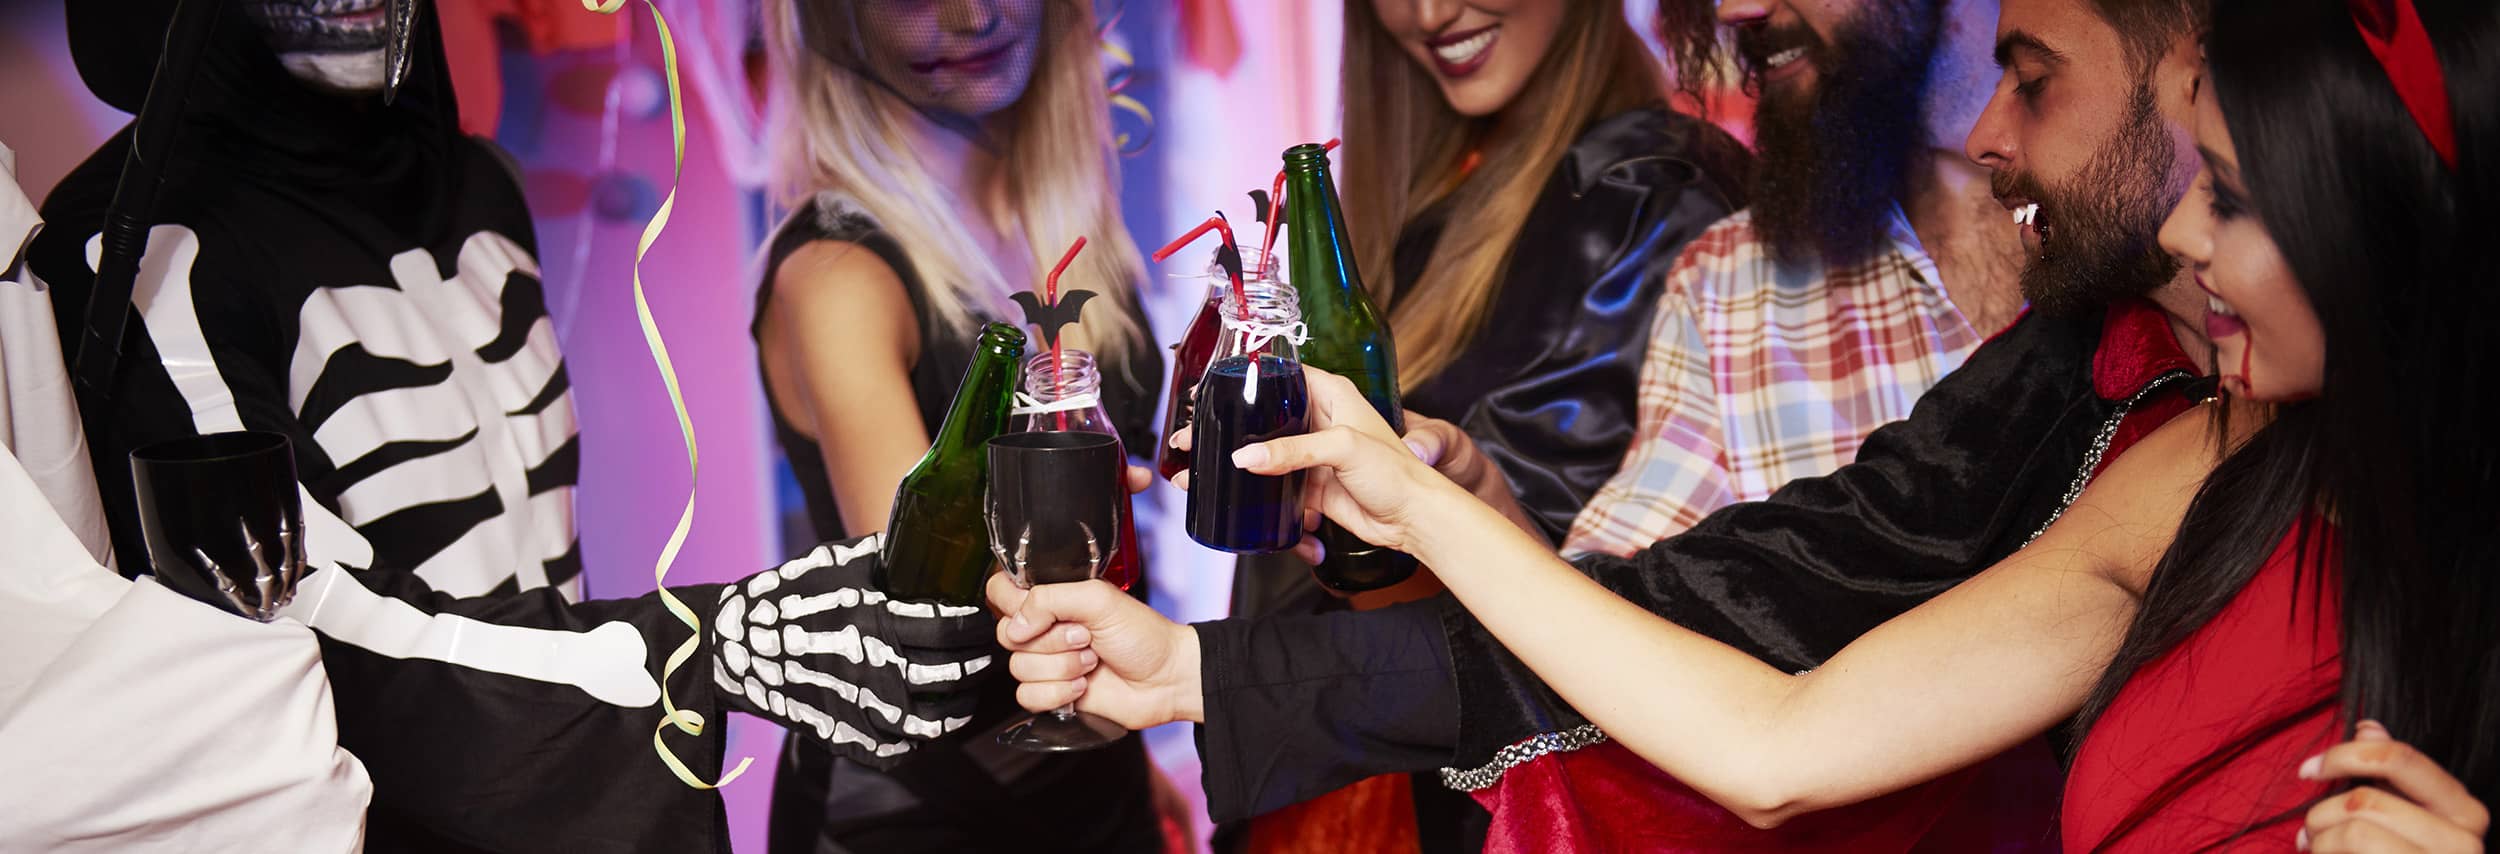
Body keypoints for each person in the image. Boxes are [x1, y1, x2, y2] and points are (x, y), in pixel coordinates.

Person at [1007, 0, 2499, 847]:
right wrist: (1269, 624)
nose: (2188, 232)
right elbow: (1749, 697)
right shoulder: (2185, 458)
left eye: (2226, 195)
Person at [31, 3, 991, 851]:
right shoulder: (137, 251)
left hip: (585, 778)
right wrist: (704, 642)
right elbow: (283, 621)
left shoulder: (475, 179)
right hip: (378, 804)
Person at [1237, 2, 1750, 845]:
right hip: (1344, 774)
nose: (1432, 12)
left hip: (1489, 797)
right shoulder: (1426, 195)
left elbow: (1569, 596)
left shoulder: (1649, 191)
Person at [750, 1, 1169, 851]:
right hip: (915, 812)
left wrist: (1134, 754)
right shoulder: (840, 275)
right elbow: (936, 600)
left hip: (1090, 770)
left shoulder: (1065, 221)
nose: (973, 16)